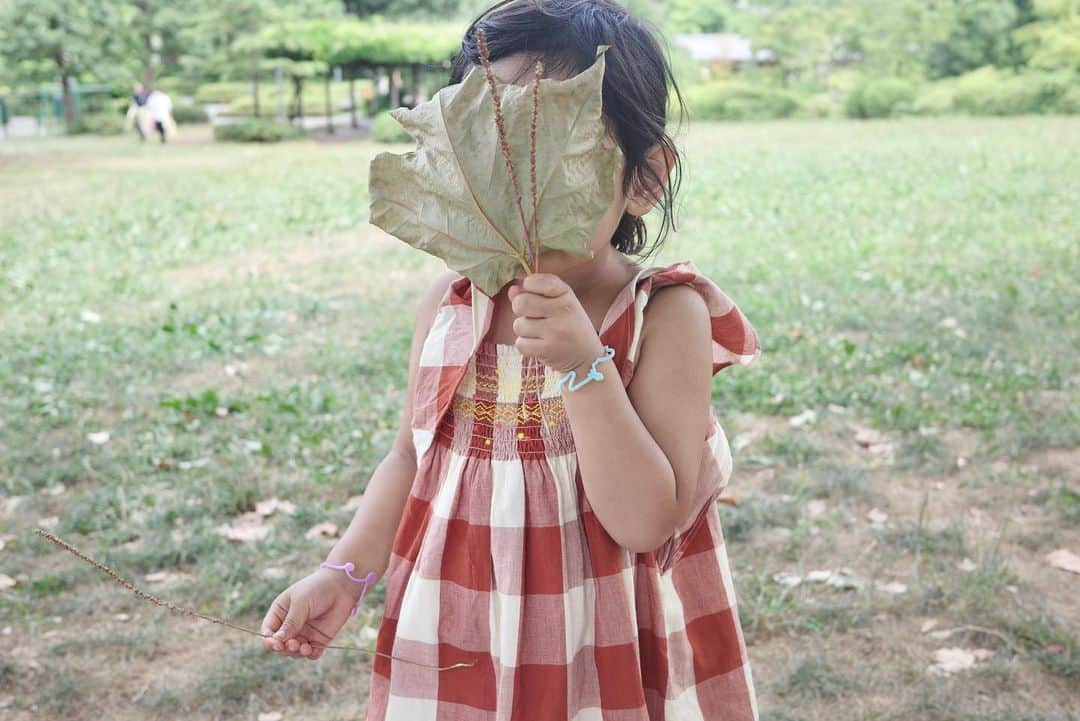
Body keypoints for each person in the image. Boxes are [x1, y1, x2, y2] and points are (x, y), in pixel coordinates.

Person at [260, 2, 762, 720]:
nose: (521, 195)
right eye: (492, 158)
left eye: (554, 159)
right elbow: (408, 459)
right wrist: (341, 574)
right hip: (459, 622)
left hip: (601, 641)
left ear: (646, 177)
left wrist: (585, 365)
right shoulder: (451, 304)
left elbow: (647, 520)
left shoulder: (664, 315)